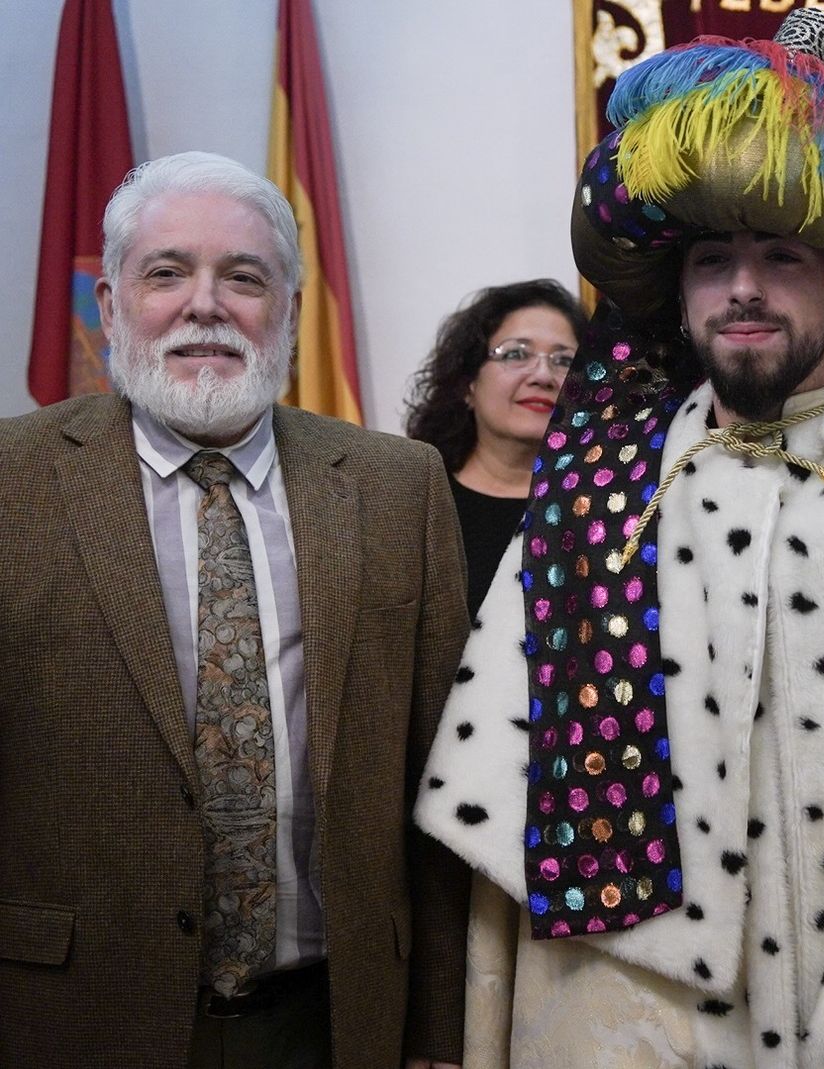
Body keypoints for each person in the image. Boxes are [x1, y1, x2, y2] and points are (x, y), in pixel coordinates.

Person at [416, 10, 824, 1067]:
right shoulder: (589, 504)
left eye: (781, 257)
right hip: (634, 1016)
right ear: (677, 294)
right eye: (713, 260)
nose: (742, 288)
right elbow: (505, 805)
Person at [0, 151, 471, 1069]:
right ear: (111, 307)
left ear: (289, 311)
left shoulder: (396, 486)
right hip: (68, 1018)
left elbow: (439, 782)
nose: (205, 303)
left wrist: (439, 1032)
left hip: (334, 1023)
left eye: (244, 277)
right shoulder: (9, 482)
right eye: (166, 272)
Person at [406, 280, 584, 618]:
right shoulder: (416, 505)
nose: (543, 375)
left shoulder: (605, 505)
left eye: (564, 361)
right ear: (468, 383)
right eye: (516, 353)